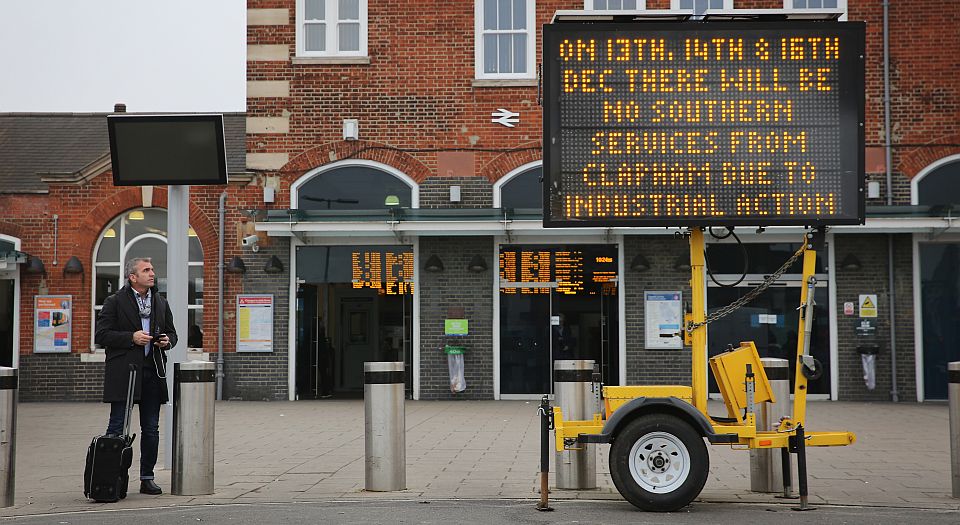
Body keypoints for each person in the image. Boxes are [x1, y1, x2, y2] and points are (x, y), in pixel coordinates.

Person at [95, 257, 176, 496]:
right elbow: (102, 334)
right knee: (118, 425)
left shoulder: (161, 303)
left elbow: (172, 332)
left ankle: (147, 477)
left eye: (152, 269)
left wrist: (167, 341)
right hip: (124, 372)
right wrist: (131, 337)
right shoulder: (114, 302)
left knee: (151, 428)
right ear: (133, 277)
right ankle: (111, 477)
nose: (152, 274)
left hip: (152, 372)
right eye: (146, 270)